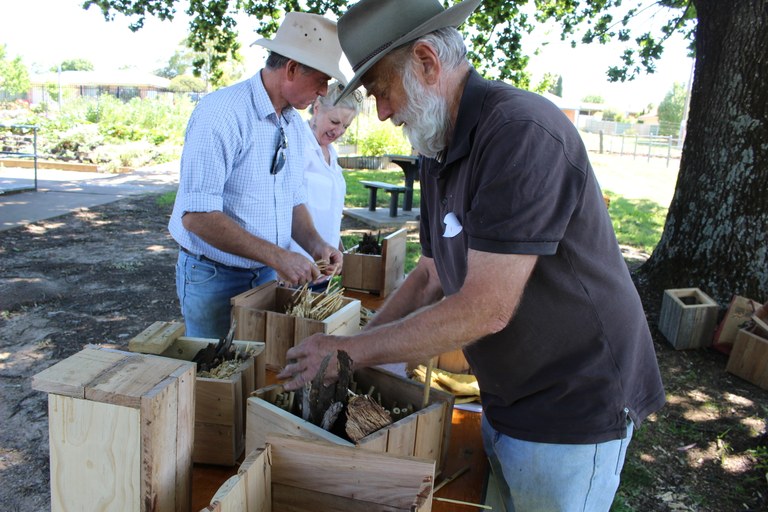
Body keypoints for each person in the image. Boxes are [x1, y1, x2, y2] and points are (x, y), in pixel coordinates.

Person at [278, 0, 666, 510]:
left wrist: (351, 352)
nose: (385, 112)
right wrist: (357, 347)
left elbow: (487, 307)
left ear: (425, 61)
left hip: (574, 405)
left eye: (382, 91)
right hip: (507, 396)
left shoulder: (519, 133)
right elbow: (429, 276)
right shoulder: (440, 144)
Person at [168, 12, 346, 339]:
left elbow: (293, 199)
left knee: (258, 368)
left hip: (264, 274)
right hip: (213, 276)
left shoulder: (292, 123)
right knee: (215, 377)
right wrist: (278, 256)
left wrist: (317, 244)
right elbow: (196, 215)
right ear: (291, 68)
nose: (323, 91)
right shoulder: (221, 113)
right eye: (321, 79)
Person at [288, 81, 363, 290]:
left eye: (345, 126)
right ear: (318, 107)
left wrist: (338, 248)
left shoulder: (332, 153)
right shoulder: (298, 145)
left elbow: (329, 210)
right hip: (297, 272)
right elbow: (289, 205)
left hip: (323, 273)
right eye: (334, 121)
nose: (339, 131)